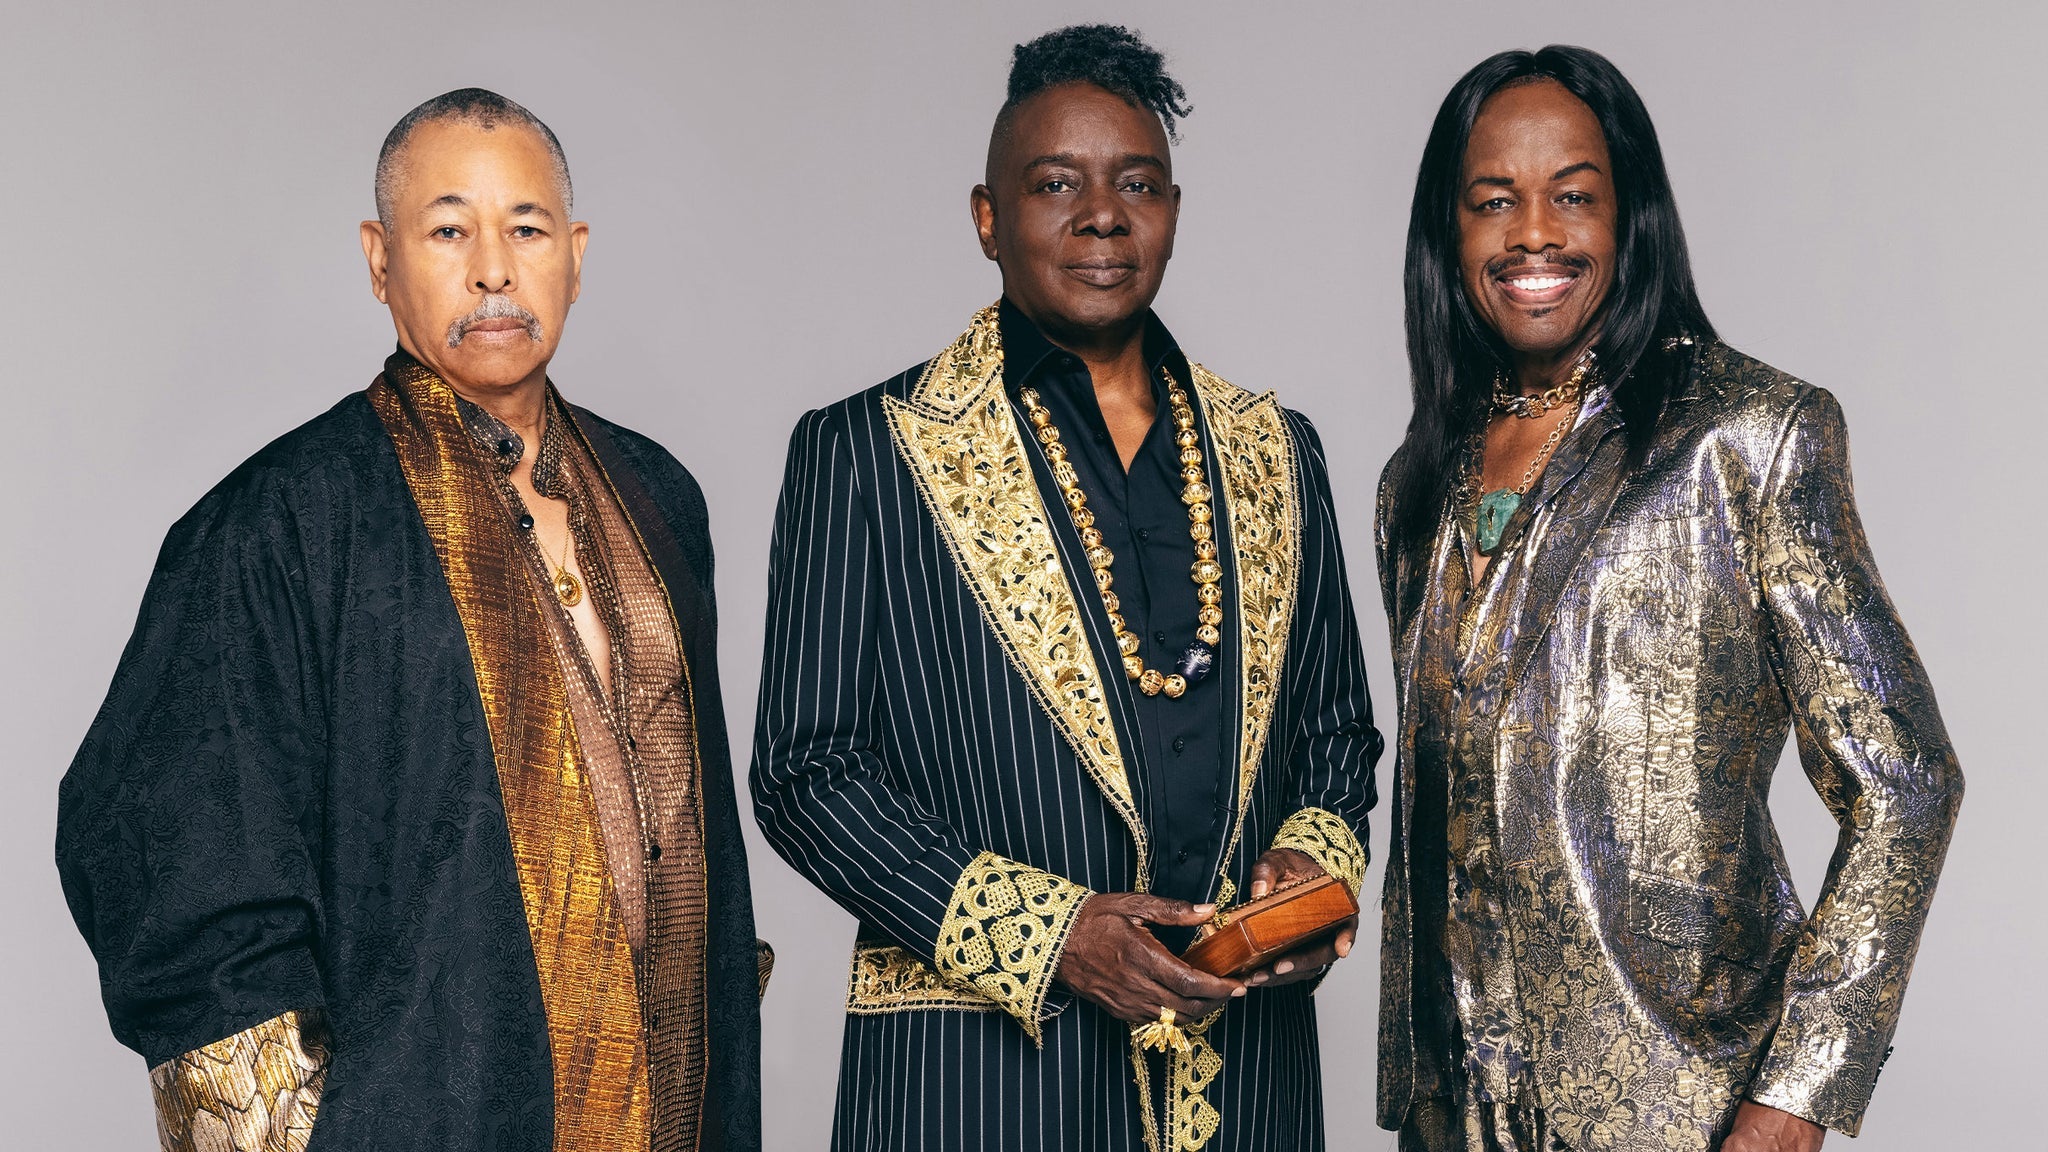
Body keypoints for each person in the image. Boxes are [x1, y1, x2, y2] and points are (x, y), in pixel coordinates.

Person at [55, 88, 763, 1151]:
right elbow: (170, 860)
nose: (493, 270)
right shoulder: (282, 521)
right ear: (380, 260)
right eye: (448, 231)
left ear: (574, 256)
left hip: (678, 1113)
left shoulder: (657, 494)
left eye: (526, 229)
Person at [750, 24, 1380, 1152]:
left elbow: (1336, 732)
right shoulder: (867, 451)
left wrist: (1310, 870)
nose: (1101, 216)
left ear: (1173, 210)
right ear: (987, 218)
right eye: (1055, 184)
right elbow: (808, 773)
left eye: (1136, 184)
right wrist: (1050, 937)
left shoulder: (1278, 451)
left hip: (1246, 1084)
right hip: (977, 1090)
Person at [1372, 46, 1963, 1152]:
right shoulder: (1417, 483)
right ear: (1446, 236)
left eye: (1573, 197)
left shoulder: (1747, 436)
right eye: (1492, 201)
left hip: (1681, 1101)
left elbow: (1906, 781)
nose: (1533, 234)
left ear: (1629, 215)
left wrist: (1799, 1090)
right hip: (1452, 1109)